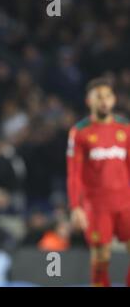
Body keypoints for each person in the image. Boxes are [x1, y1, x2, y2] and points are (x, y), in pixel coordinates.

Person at [67, 77, 130, 287]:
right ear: (89, 101)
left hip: (125, 202)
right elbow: (74, 173)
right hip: (97, 206)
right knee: (101, 257)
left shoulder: (125, 128)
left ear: (114, 100)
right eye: (99, 97)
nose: (104, 102)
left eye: (108, 97)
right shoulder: (80, 132)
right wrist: (76, 207)